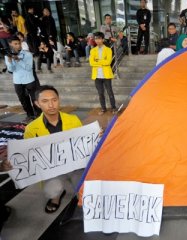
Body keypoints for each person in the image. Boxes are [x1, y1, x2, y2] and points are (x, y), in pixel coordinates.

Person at [23, 85, 83, 213]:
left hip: (75, 165)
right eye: (45, 101)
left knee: (84, 190)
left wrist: (95, 136)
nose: (51, 105)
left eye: (54, 100)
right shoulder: (31, 129)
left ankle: (83, 196)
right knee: (51, 190)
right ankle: (56, 197)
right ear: (37, 104)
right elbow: (29, 155)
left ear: (59, 100)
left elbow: (83, 144)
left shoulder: (73, 120)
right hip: (52, 169)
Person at [5, 36, 40, 121]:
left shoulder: (27, 54)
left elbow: (28, 68)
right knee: (23, 100)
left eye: (19, 43)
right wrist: (10, 62)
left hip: (29, 80)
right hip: (17, 81)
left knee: (34, 99)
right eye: (15, 44)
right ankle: (30, 115)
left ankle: (39, 115)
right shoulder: (8, 55)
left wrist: (18, 60)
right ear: (10, 44)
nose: (18, 45)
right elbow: (11, 70)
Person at [89, 32, 117, 115]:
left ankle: (113, 108)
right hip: (97, 75)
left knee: (110, 92)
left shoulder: (108, 49)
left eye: (99, 38)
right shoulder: (92, 50)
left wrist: (97, 61)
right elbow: (91, 63)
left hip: (106, 75)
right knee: (100, 93)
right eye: (96, 39)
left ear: (103, 39)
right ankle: (103, 108)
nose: (97, 40)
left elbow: (108, 62)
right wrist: (102, 62)